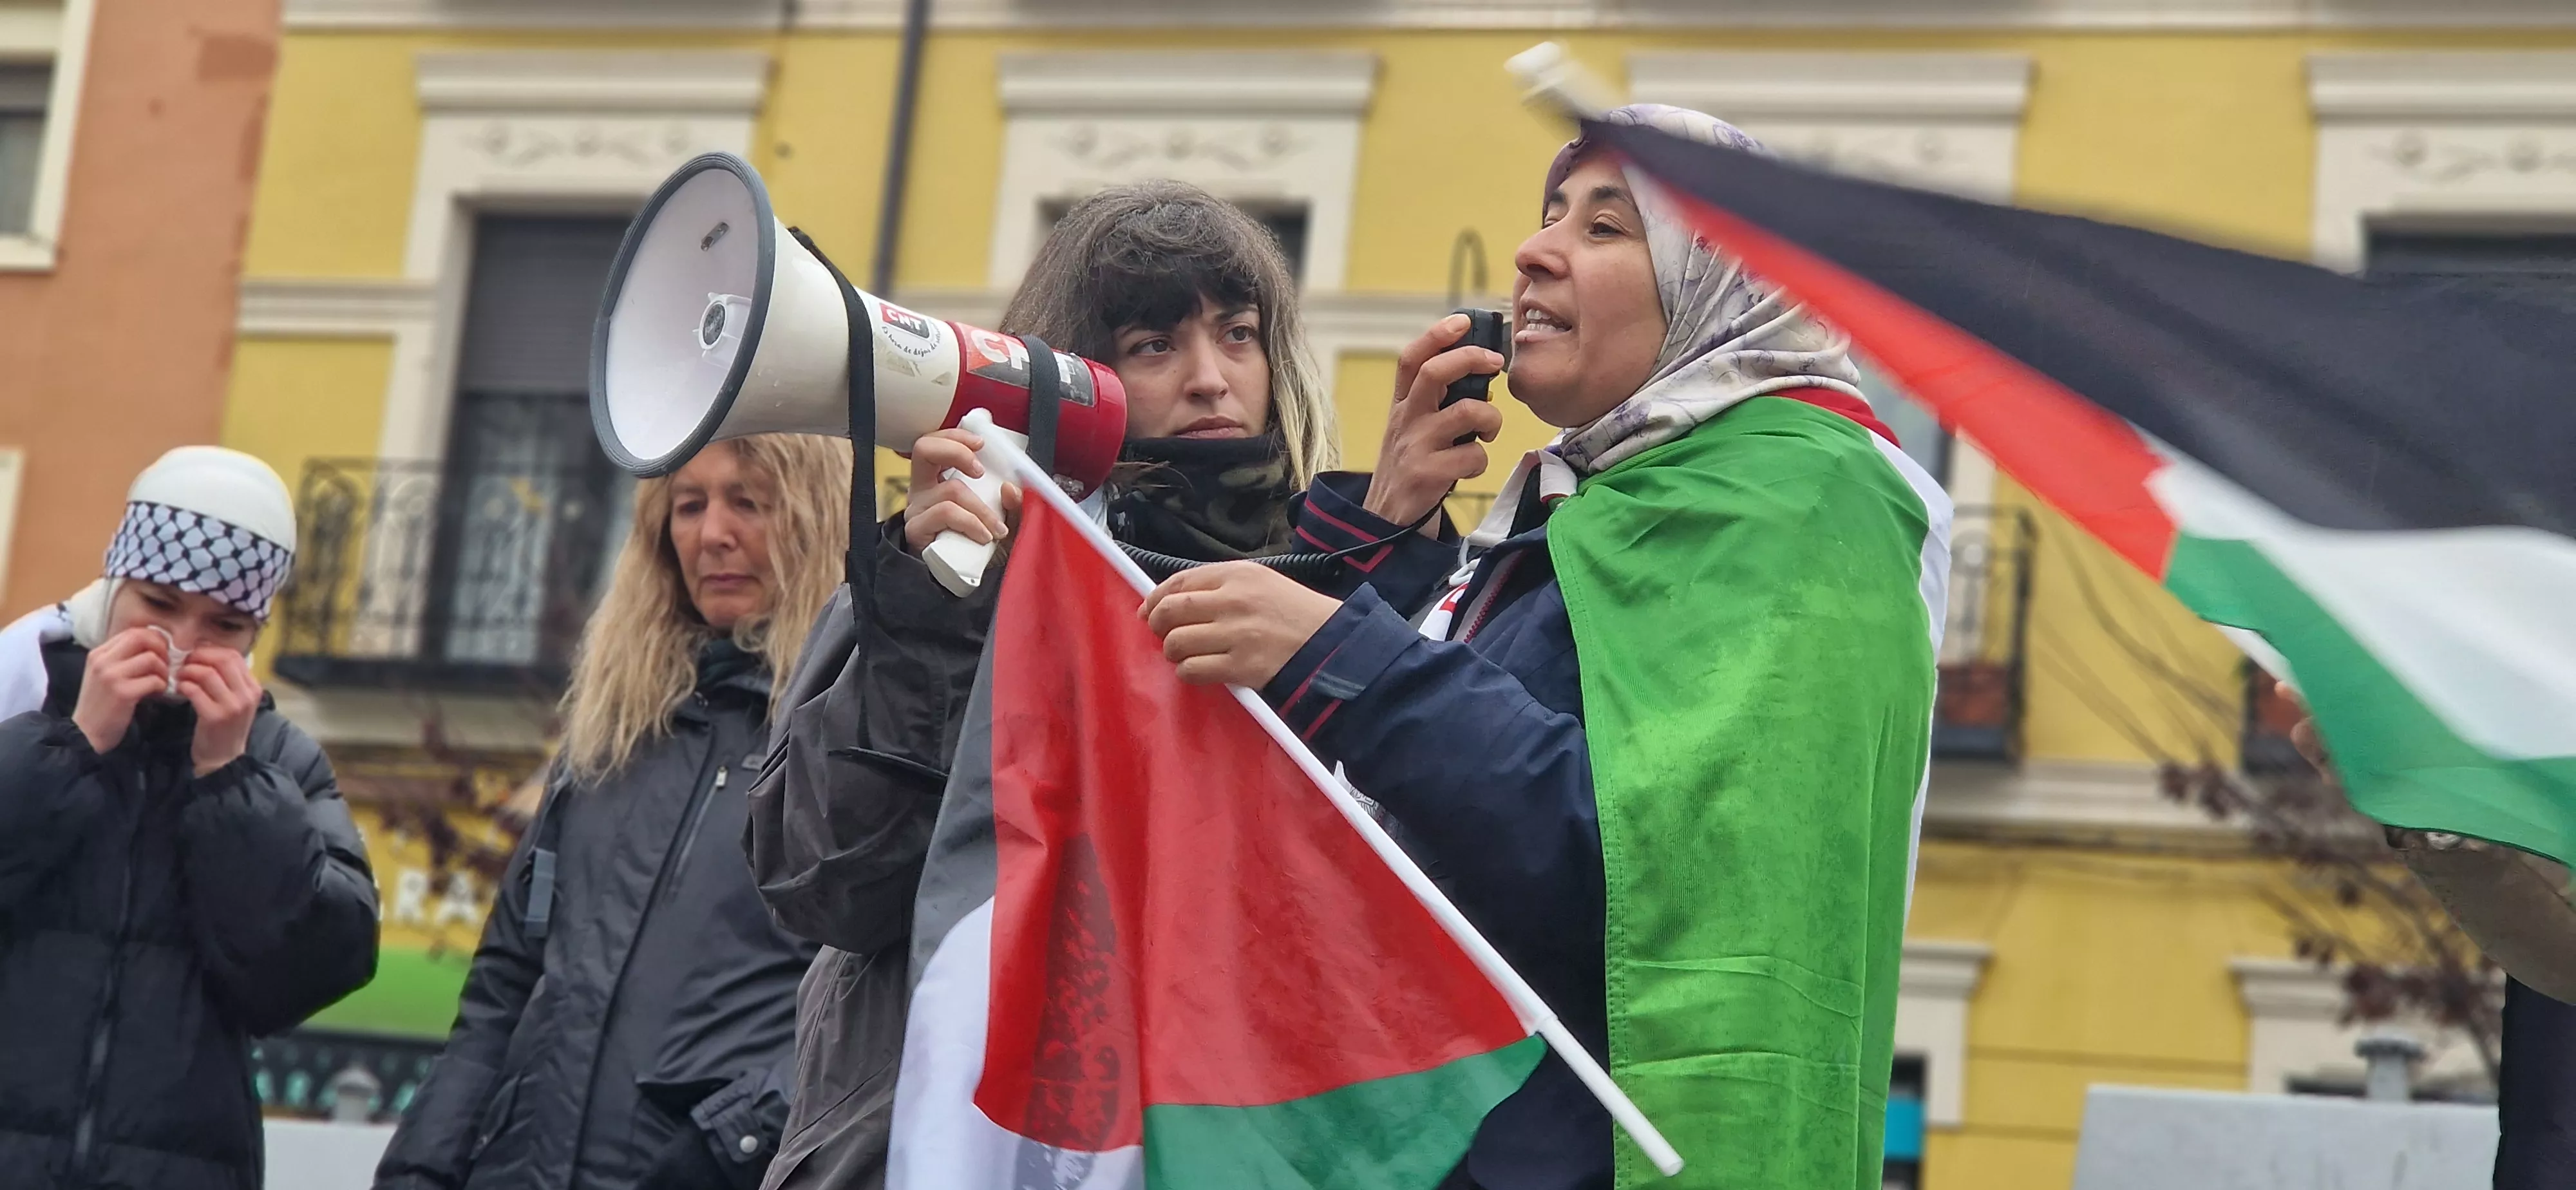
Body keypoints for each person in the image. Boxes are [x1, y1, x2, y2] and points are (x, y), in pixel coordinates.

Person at [1140, 105, 1952, 1189]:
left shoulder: (1803, 499)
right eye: (1549, 213)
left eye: (1606, 227)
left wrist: (1353, 657)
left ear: (1717, 285)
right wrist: (1389, 523)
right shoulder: (1595, 505)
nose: (1534, 250)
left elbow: (1658, 865)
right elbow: (1394, 808)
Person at [742, 178, 1486, 1189]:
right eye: (1153, 346)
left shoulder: (1326, 579)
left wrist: (1378, 560)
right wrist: (932, 614)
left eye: (1238, 334)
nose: (1212, 379)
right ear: (1064, 374)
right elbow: (825, 881)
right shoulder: (933, 577)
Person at [374, 434, 853, 1190]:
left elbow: (872, 999)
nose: (712, 533)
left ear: (816, 517)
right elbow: (504, 984)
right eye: (689, 505)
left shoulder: (854, 738)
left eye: (749, 501)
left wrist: (735, 1142)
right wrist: (419, 1170)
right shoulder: (611, 734)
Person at [0, 446, 379, 1190]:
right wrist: (75, 749)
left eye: (225, 625)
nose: (182, 645)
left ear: (255, 636)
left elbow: (307, 974)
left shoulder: (283, 759)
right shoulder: (25, 697)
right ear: (113, 593)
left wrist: (230, 779)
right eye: (160, 605)